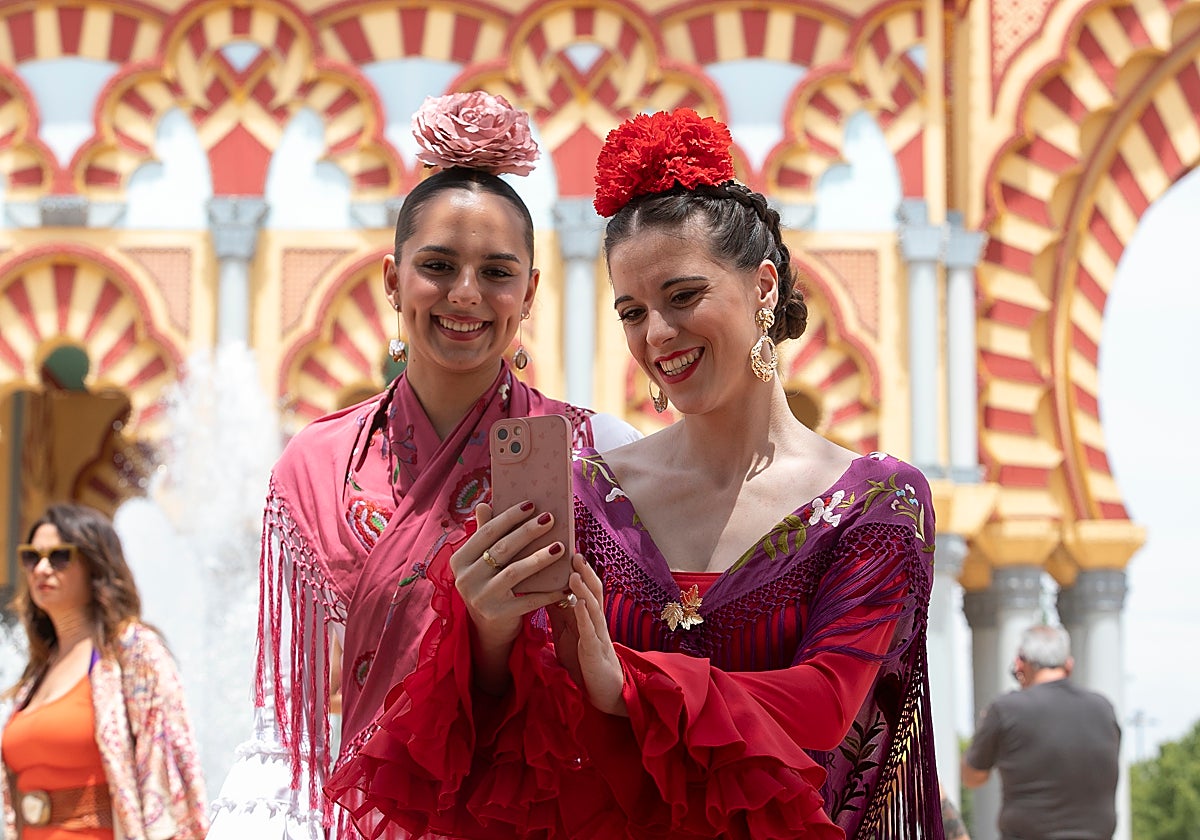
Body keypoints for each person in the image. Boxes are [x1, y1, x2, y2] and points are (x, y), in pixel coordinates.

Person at [327, 108, 944, 839]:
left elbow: (821, 704)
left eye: (683, 297)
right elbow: (521, 739)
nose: (657, 335)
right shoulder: (590, 495)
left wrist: (631, 687)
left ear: (764, 286)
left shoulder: (874, 502)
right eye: (632, 312)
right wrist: (489, 633)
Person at [205, 91, 639, 838]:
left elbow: (630, 679)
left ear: (529, 291)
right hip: (367, 819)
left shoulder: (598, 453)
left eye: (497, 273)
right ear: (392, 279)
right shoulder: (314, 466)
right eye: (438, 265)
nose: (465, 295)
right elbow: (290, 719)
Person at [1, 503, 208, 839]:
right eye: (31, 557)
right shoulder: (36, 673)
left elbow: (172, 767)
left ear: (94, 564)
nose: (41, 568)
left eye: (59, 557)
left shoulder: (132, 651)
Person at [962, 624, 1121, 840]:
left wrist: (986, 731)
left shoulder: (1006, 709)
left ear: (1020, 664)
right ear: (1069, 665)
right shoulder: (1104, 709)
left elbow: (972, 777)